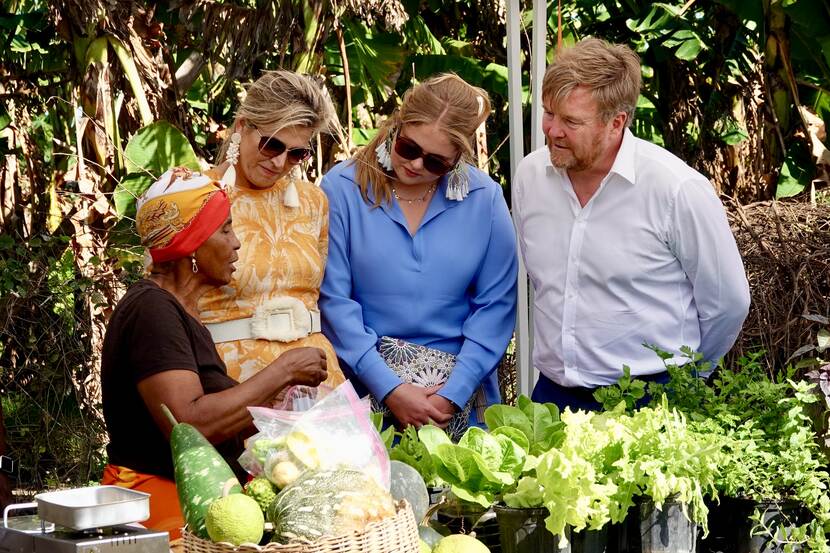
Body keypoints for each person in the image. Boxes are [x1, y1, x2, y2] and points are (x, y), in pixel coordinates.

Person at [512, 38, 751, 412]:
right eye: (548, 113)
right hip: (553, 399)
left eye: (571, 121)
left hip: (653, 398)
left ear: (616, 122)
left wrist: (686, 384)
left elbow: (728, 303)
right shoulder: (530, 176)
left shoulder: (676, 189)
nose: (552, 131)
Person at [100, 169, 327, 542]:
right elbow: (188, 424)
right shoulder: (152, 311)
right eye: (224, 230)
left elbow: (217, 417)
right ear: (191, 243)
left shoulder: (181, 313)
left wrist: (276, 411)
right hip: (158, 508)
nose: (236, 243)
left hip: (199, 503)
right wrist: (283, 370)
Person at [320, 73, 518, 437]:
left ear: (458, 158)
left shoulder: (485, 199)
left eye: (435, 162)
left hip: (458, 400)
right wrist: (390, 388)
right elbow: (334, 301)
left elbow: (496, 307)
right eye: (408, 148)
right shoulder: (342, 188)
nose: (415, 165)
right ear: (397, 125)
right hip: (365, 394)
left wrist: (453, 393)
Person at [197, 70, 345, 389]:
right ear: (241, 127)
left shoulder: (313, 201)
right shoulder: (195, 195)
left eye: (296, 153)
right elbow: (167, 300)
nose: (280, 163)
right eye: (271, 145)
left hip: (317, 375)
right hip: (229, 377)